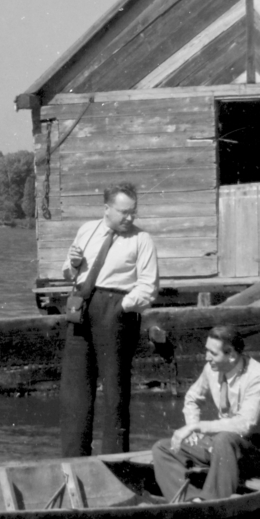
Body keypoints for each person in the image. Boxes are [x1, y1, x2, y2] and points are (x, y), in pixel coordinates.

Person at [59, 182, 158, 458]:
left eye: (133, 211)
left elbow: (149, 286)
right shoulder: (87, 230)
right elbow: (68, 272)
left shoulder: (141, 240)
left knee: (115, 391)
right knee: (75, 389)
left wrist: (121, 307)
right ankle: (74, 460)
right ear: (107, 209)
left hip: (116, 310)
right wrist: (73, 263)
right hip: (82, 307)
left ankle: (115, 462)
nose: (130, 217)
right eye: (124, 212)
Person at [151, 325, 260, 501]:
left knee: (224, 439)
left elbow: (244, 425)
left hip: (258, 451)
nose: (207, 357)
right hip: (221, 447)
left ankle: (212, 502)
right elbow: (192, 398)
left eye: (213, 353)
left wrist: (197, 426)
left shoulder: (259, 376)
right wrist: (193, 428)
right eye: (207, 351)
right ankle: (189, 501)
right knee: (162, 448)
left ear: (232, 355)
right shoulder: (211, 369)